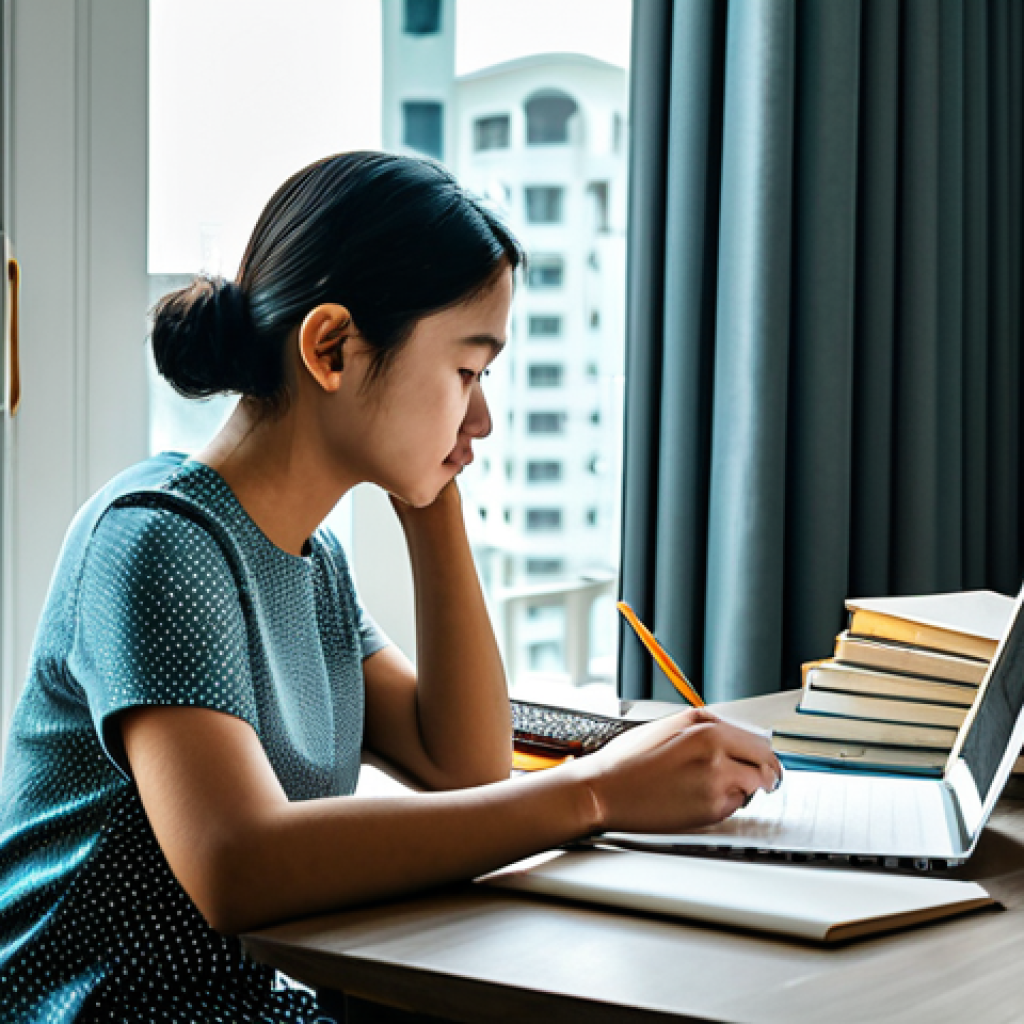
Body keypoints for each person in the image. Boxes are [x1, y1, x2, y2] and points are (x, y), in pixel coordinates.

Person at [0, 151, 781, 1022]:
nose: (483, 419)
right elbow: (236, 864)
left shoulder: (310, 561)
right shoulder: (156, 541)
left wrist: (432, 506)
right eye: (466, 372)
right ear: (331, 348)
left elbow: (462, 764)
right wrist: (597, 794)